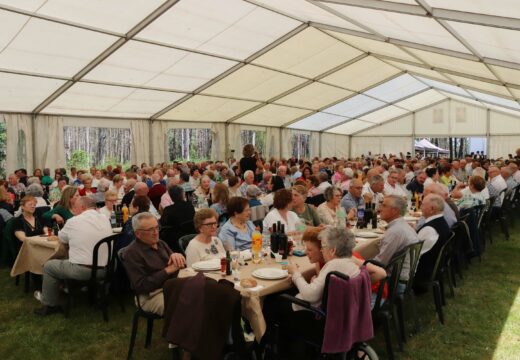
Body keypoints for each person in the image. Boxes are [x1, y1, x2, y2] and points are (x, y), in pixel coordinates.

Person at [34, 197, 113, 315]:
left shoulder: (74, 221)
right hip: (108, 269)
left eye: (75, 208)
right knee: (75, 256)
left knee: (49, 266)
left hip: (84, 270)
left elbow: (61, 238)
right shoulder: (105, 218)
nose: (73, 211)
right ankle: (84, 292)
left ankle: (49, 305)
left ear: (82, 207)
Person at [122, 212, 186, 316]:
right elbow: (141, 286)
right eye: (150, 230)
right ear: (138, 234)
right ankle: (178, 332)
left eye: (157, 227)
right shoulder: (131, 253)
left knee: (200, 296)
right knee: (182, 307)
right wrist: (167, 271)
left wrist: (177, 257)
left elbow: (177, 266)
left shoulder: (160, 243)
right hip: (150, 296)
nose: (156, 232)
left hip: (172, 287)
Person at [374, 195, 419, 284]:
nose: (379, 209)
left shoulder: (395, 231)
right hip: (404, 276)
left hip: (394, 281)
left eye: (384, 205)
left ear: (395, 211)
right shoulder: (402, 225)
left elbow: (380, 262)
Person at [414, 194, 451, 291]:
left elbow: (413, 253)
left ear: (432, 209)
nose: (420, 207)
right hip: (431, 268)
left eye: (422, 204)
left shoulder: (429, 229)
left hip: (421, 274)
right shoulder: (441, 222)